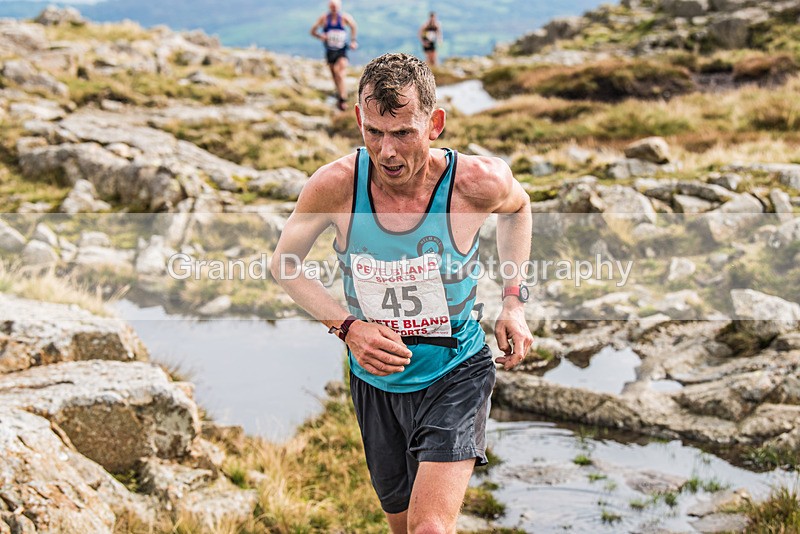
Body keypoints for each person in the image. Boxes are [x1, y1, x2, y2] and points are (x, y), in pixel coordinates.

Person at [271, 53, 533, 533]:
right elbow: (285, 265)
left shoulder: (476, 183)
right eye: (374, 132)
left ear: (434, 124)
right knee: (402, 523)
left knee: (429, 527)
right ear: (358, 120)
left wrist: (513, 301)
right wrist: (348, 328)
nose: (387, 152)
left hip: (456, 370)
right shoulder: (336, 187)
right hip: (377, 380)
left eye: (403, 133)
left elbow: (518, 208)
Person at [310, 0, 358, 111]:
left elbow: (353, 26)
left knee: (339, 73)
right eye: (332, 6)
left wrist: (353, 41)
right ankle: (339, 95)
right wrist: (320, 36)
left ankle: (343, 99)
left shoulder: (344, 18)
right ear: (329, 7)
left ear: (339, 7)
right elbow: (312, 31)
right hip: (330, 50)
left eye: (336, 6)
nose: (334, 8)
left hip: (342, 50)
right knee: (334, 76)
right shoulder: (324, 18)